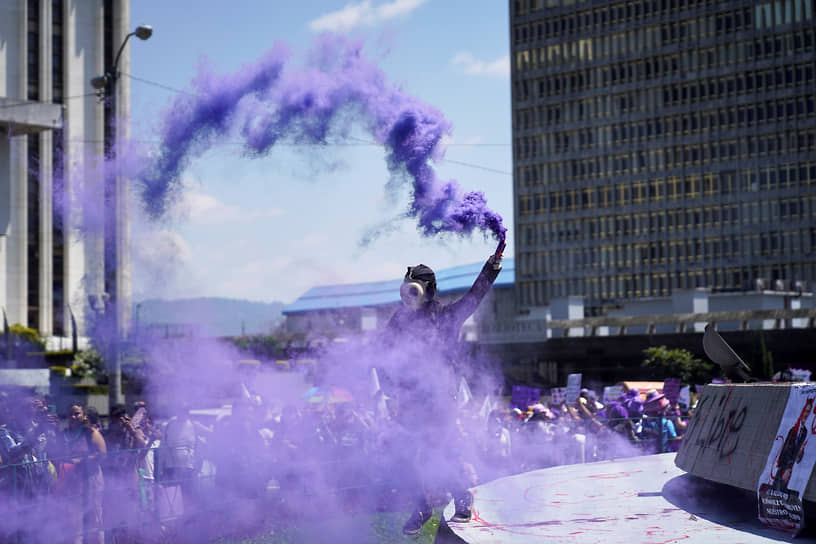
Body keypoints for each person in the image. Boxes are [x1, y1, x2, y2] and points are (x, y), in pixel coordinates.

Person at [381, 238, 504, 535]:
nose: (408, 296)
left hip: (440, 398)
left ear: (428, 290)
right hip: (410, 399)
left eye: (414, 289)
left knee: (441, 451)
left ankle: (462, 496)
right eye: (405, 290)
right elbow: (382, 351)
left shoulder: (448, 316)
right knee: (403, 452)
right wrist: (387, 382)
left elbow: (476, 295)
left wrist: (494, 263)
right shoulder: (399, 320)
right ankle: (422, 505)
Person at [59, 403, 107, 544]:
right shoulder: (65, 434)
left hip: (92, 479)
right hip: (73, 481)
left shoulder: (91, 433)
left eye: (77, 413)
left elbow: (103, 454)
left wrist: (81, 460)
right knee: (75, 521)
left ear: (83, 415)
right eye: (71, 414)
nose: (73, 417)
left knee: (94, 518)